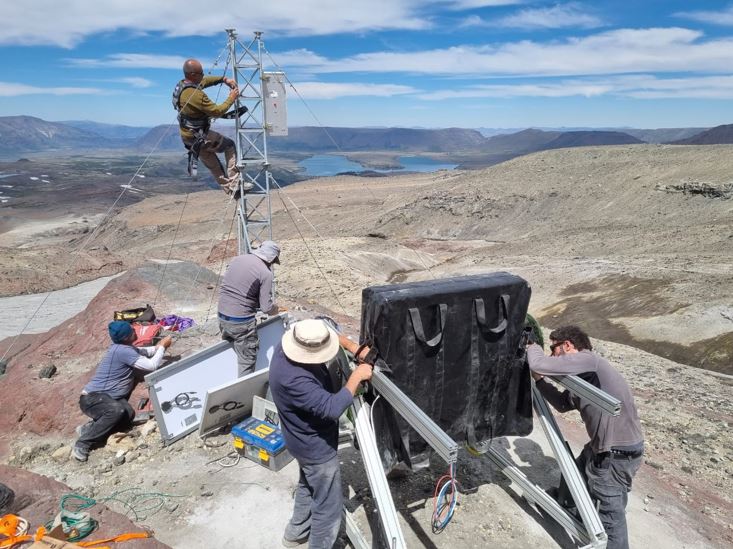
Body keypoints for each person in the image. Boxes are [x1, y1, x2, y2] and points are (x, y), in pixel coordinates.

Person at [527, 325, 644, 549]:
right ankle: (569, 508)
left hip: (615, 453)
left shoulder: (588, 360)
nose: (552, 355)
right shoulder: (584, 376)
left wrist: (531, 345)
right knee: (576, 471)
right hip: (607, 446)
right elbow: (562, 404)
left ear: (568, 345)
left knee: (610, 517)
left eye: (553, 348)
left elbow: (538, 363)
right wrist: (541, 382)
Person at [269, 319, 373, 548]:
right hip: (314, 447)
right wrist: (357, 377)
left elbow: (323, 330)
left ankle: (295, 534)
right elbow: (332, 408)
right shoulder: (294, 380)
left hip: (298, 439)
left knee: (308, 485)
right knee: (328, 509)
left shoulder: (286, 347)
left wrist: (352, 346)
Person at [72, 321, 173, 462]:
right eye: (132, 331)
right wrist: (162, 347)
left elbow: (146, 351)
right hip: (92, 399)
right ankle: (83, 443)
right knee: (116, 411)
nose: (136, 332)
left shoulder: (124, 347)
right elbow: (151, 366)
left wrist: (159, 346)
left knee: (128, 415)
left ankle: (90, 429)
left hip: (110, 398)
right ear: (126, 337)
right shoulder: (123, 351)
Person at [172, 58, 252, 196]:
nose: (203, 75)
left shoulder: (183, 85)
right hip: (200, 136)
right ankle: (235, 182)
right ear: (192, 74)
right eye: (200, 73)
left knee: (213, 163)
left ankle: (230, 189)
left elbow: (204, 81)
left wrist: (223, 79)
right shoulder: (195, 94)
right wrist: (232, 98)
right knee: (229, 145)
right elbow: (217, 111)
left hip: (189, 138)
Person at [218, 240, 280, 376]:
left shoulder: (238, 259)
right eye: (273, 261)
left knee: (234, 350)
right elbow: (266, 308)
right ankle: (242, 395)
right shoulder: (265, 273)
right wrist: (276, 309)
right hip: (241, 323)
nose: (272, 264)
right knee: (247, 360)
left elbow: (238, 287)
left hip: (222, 315)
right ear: (271, 258)